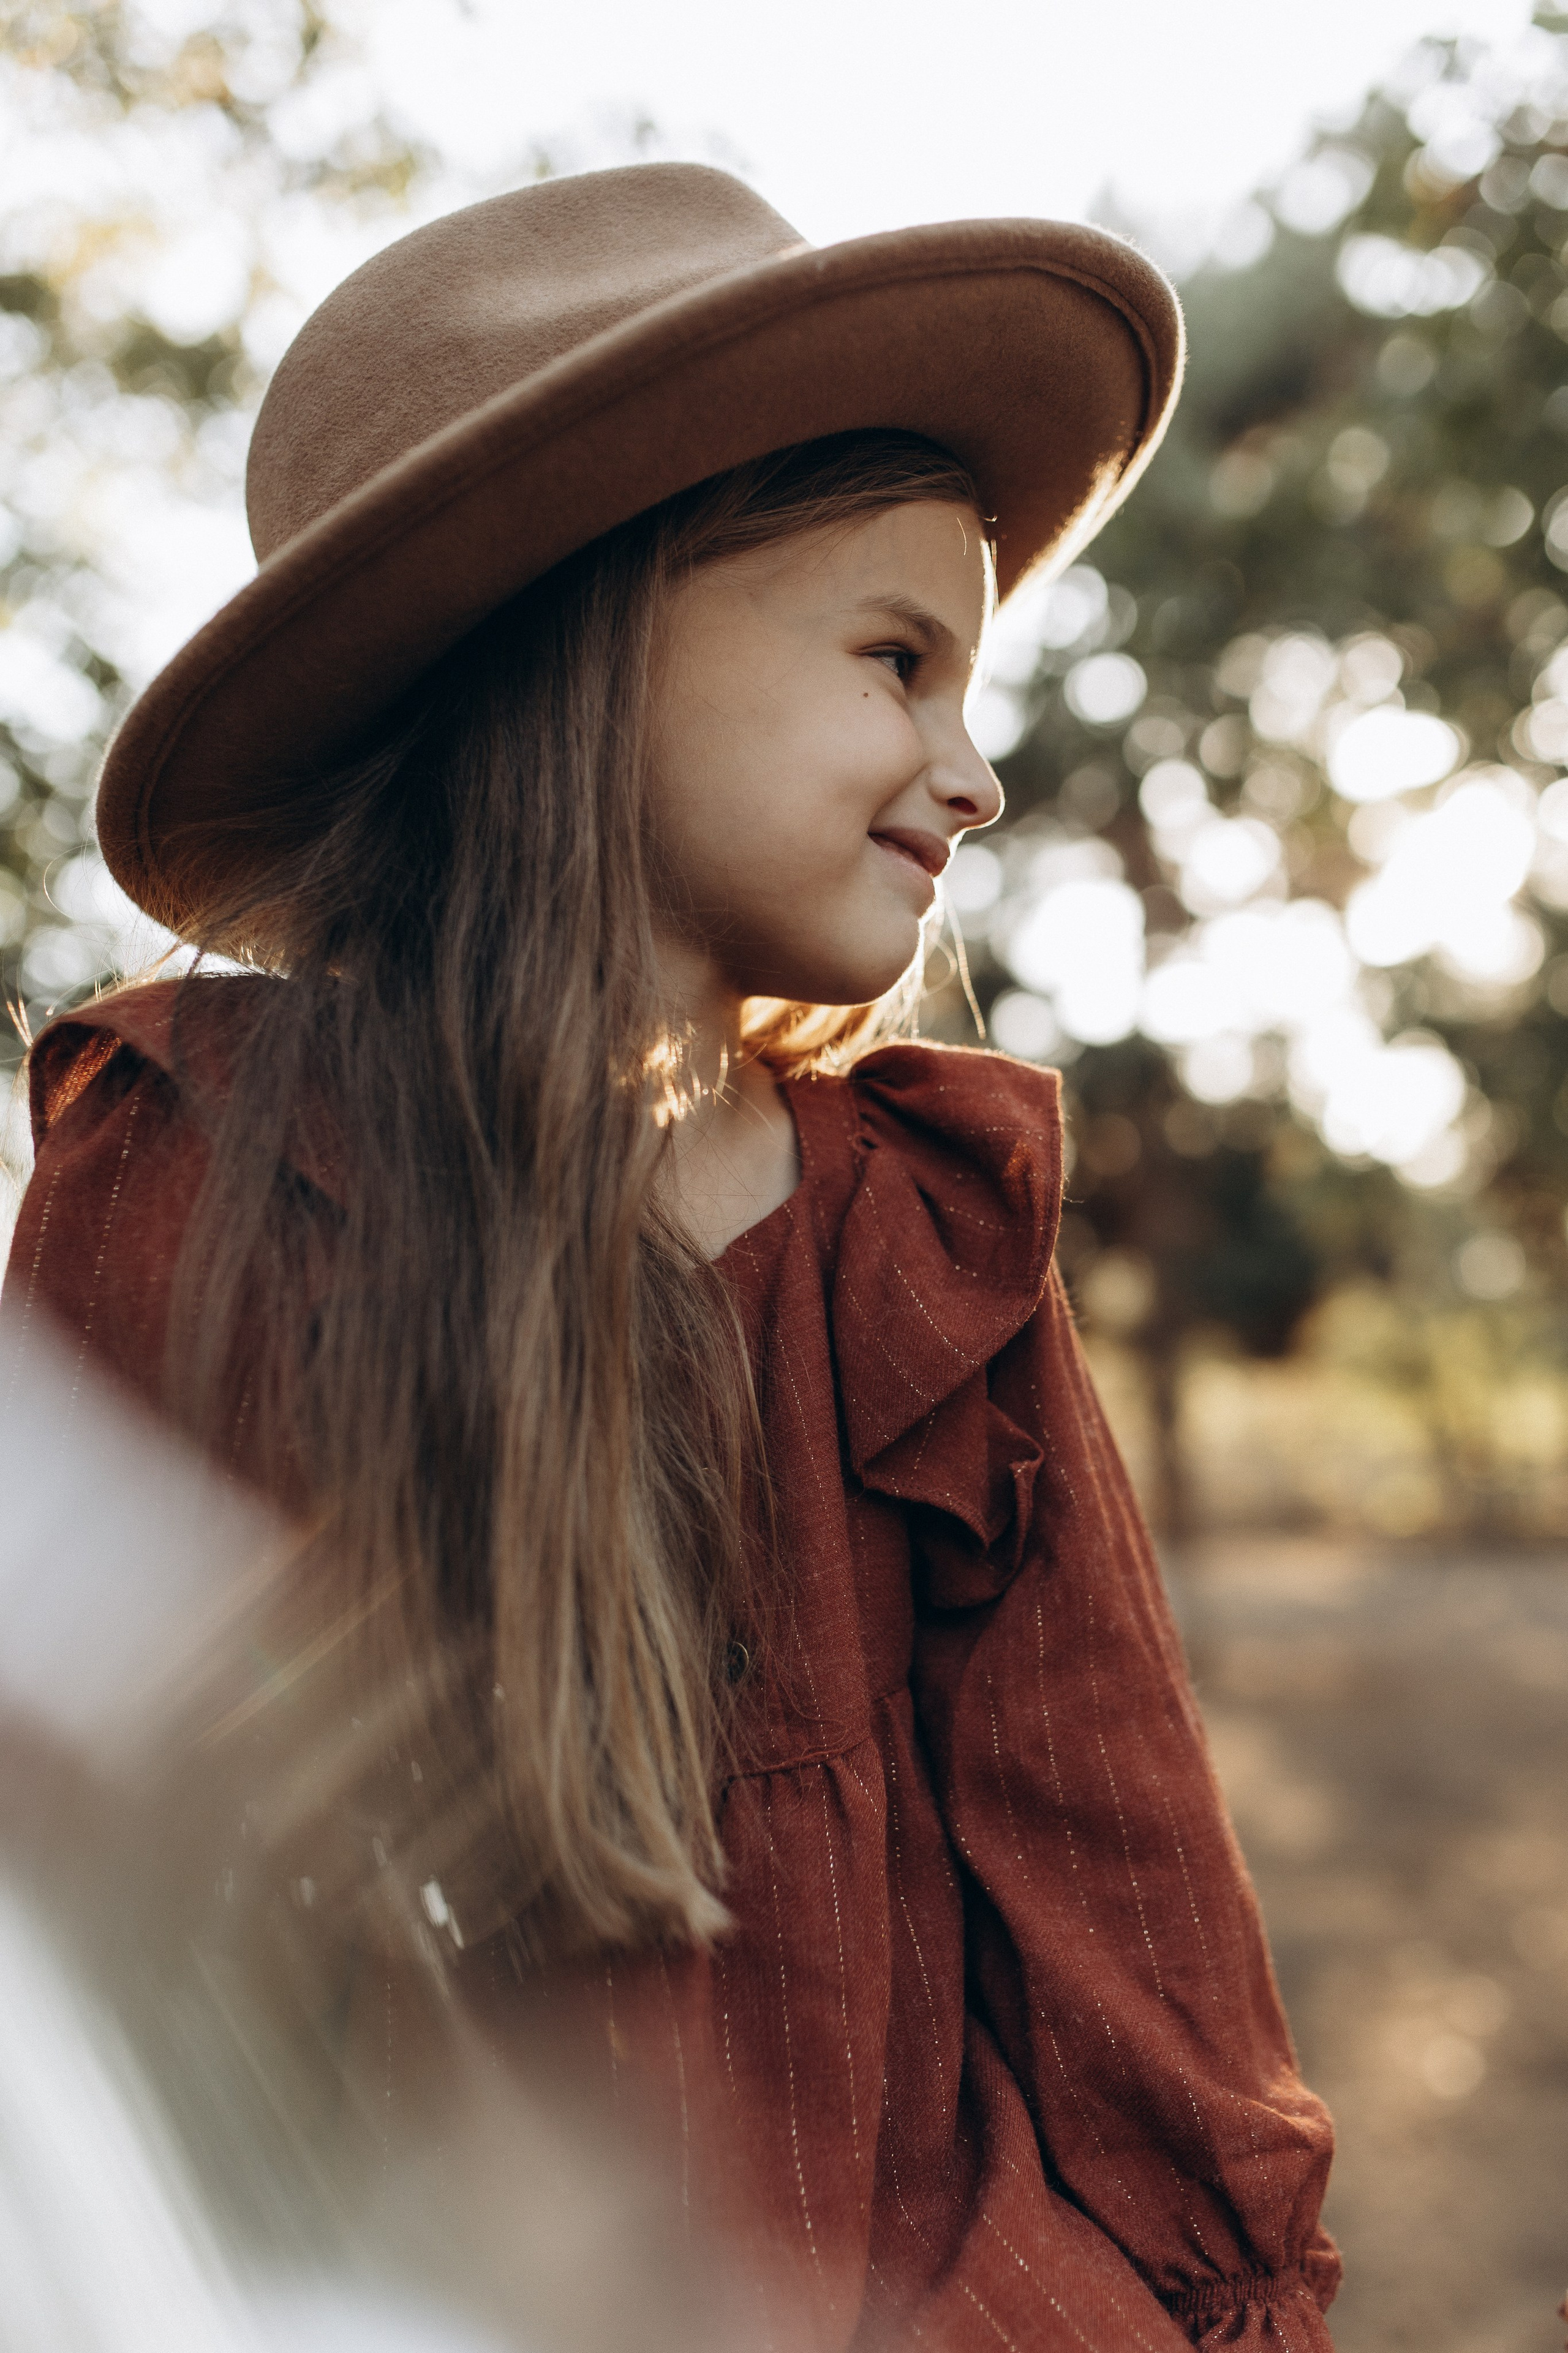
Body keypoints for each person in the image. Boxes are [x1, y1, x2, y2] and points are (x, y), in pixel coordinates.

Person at [4, 163, 1338, 2349]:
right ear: (588, 637)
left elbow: (1136, 1940)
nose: (974, 772)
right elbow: (103, 1930)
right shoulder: (199, 1168)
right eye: (899, 658)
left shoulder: (920, 1237)